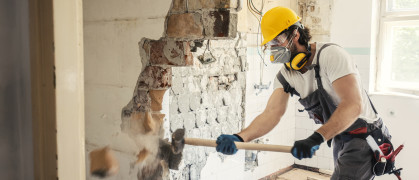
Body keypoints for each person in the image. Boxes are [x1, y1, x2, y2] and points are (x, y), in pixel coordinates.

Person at [215, 6, 398, 180]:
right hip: (340, 138)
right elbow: (271, 114)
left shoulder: (330, 55)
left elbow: (353, 105)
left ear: (295, 34)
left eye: (276, 41)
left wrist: (316, 138)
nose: (272, 48)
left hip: (364, 137)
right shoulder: (286, 76)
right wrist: (240, 138)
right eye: (269, 44)